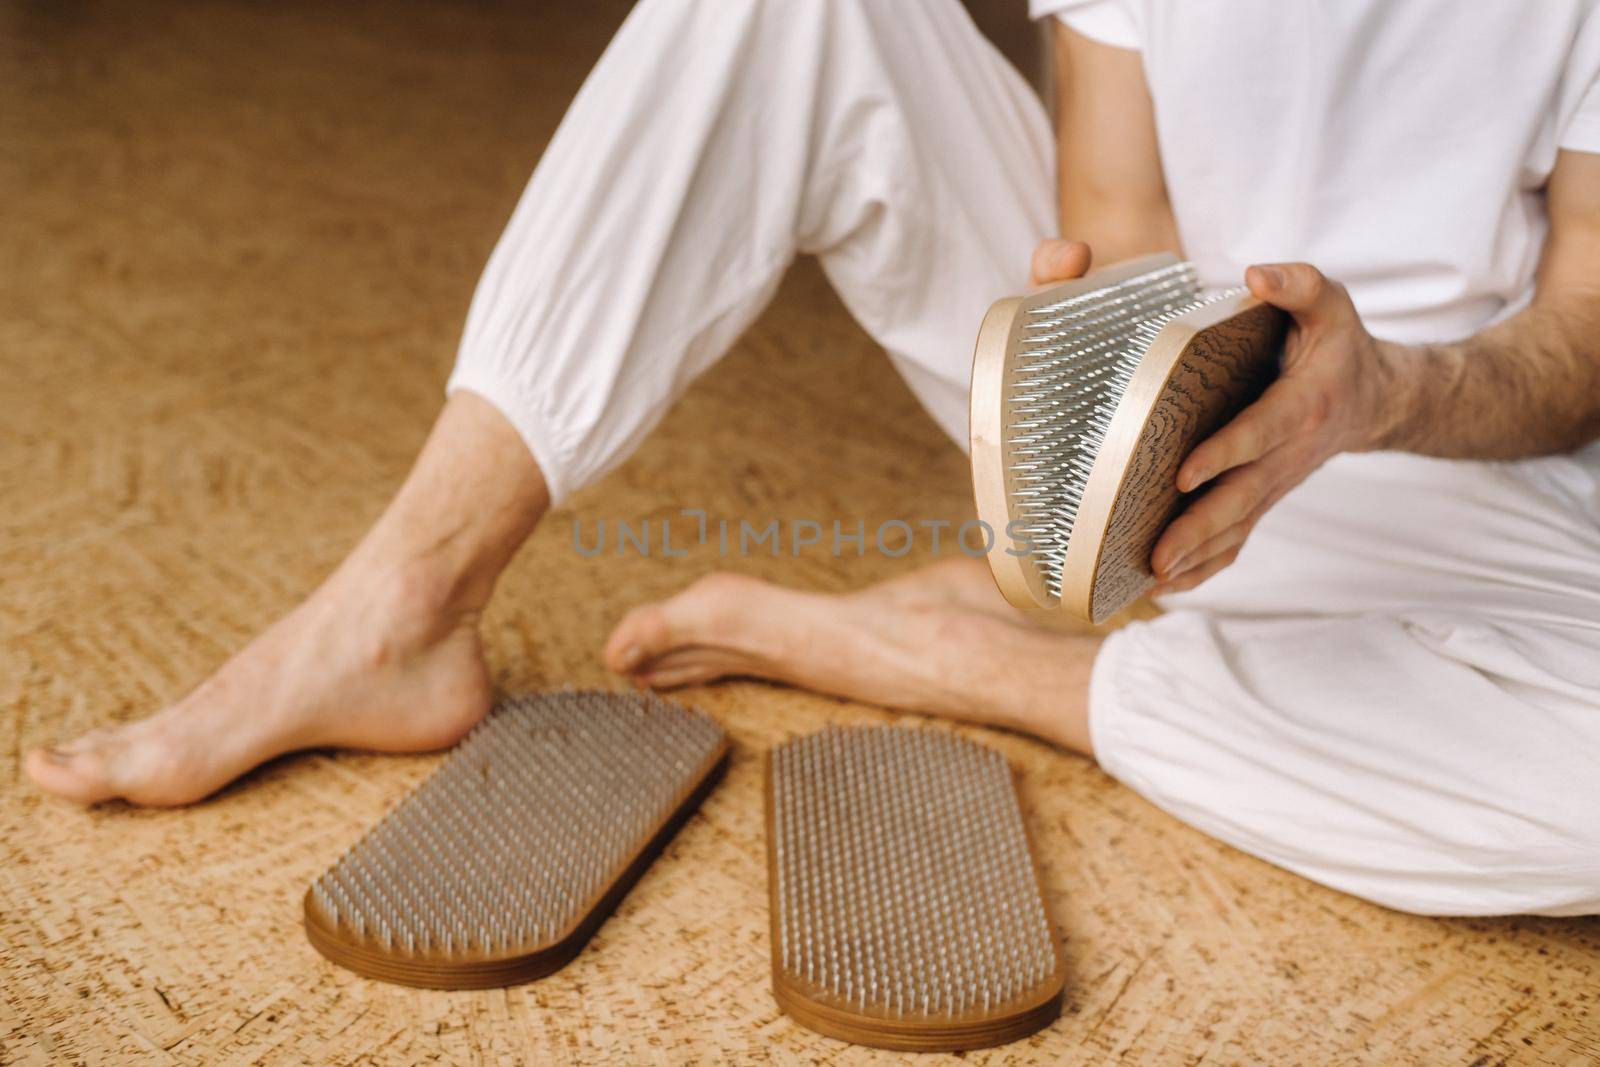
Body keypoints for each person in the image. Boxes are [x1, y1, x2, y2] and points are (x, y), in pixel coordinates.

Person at [26, 0, 1600, 916]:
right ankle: (401, 606)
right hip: (1175, 428)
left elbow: (1576, 353)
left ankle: (957, 658)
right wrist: (1121, 438)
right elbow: (1123, 222)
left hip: (1457, 488)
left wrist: (1366, 396)